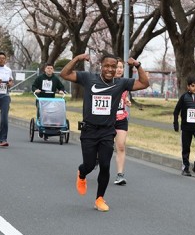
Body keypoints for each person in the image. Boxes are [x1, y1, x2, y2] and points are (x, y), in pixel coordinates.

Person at [60, 52, 149, 212]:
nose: (109, 69)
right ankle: (81, 173)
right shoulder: (89, 78)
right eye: (106, 66)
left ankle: (99, 199)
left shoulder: (120, 83)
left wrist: (137, 65)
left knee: (105, 165)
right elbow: (64, 74)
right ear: (101, 65)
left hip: (107, 131)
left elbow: (144, 83)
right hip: (89, 130)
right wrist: (78, 59)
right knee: (88, 164)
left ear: (117, 68)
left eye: (113, 67)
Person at [173, 76, 195, 178]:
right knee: (186, 148)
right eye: (192, 86)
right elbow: (176, 111)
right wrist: (176, 123)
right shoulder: (184, 97)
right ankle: (186, 168)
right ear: (188, 86)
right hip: (186, 127)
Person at [113, 59, 131, 186]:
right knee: (105, 147)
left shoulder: (125, 83)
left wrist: (127, 101)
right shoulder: (105, 83)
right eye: (117, 67)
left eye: (121, 67)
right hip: (107, 119)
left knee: (121, 145)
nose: (119, 69)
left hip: (121, 118)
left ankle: (120, 175)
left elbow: (124, 97)